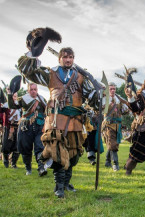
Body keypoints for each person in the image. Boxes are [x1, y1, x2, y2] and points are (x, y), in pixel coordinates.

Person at [17, 28, 100, 198]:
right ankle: (59, 186)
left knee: (74, 154)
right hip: (55, 120)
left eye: (70, 57)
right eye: (65, 57)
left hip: (76, 121)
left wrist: (99, 93)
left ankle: (67, 182)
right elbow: (27, 71)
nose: (68, 60)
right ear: (59, 58)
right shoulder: (50, 73)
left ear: (73, 59)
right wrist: (33, 52)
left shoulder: (81, 76)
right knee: (57, 152)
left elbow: (92, 98)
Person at [7, 83, 47, 176]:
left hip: (39, 126)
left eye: (35, 89)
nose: (33, 91)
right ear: (28, 90)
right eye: (31, 89)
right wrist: (9, 94)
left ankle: (41, 168)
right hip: (26, 126)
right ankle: (28, 168)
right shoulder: (23, 99)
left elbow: (48, 110)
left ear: (37, 90)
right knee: (25, 147)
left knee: (40, 146)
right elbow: (12, 105)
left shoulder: (42, 99)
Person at [102, 82, 129, 171]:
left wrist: (125, 107)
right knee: (112, 144)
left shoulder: (119, 99)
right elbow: (100, 110)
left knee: (112, 143)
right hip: (108, 125)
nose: (113, 91)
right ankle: (115, 164)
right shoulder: (104, 99)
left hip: (117, 125)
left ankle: (107, 161)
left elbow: (125, 110)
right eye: (111, 89)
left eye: (114, 89)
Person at [0, 93, 21, 168]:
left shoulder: (19, 105)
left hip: (17, 127)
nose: (14, 98)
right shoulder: (6, 105)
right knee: (6, 145)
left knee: (16, 146)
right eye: (13, 96)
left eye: (15, 96)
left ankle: (13, 163)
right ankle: (5, 160)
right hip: (8, 127)